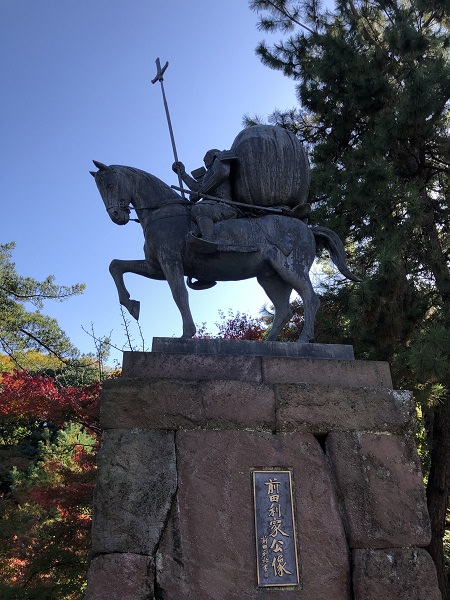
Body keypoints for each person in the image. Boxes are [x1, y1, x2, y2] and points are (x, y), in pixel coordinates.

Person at [172, 149, 239, 251]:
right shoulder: (208, 174)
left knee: (199, 209)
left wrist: (200, 193)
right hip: (212, 205)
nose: (204, 160)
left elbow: (222, 173)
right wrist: (182, 173)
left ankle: (208, 240)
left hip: (224, 206)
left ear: (212, 156)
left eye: (206, 157)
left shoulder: (219, 160)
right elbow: (196, 189)